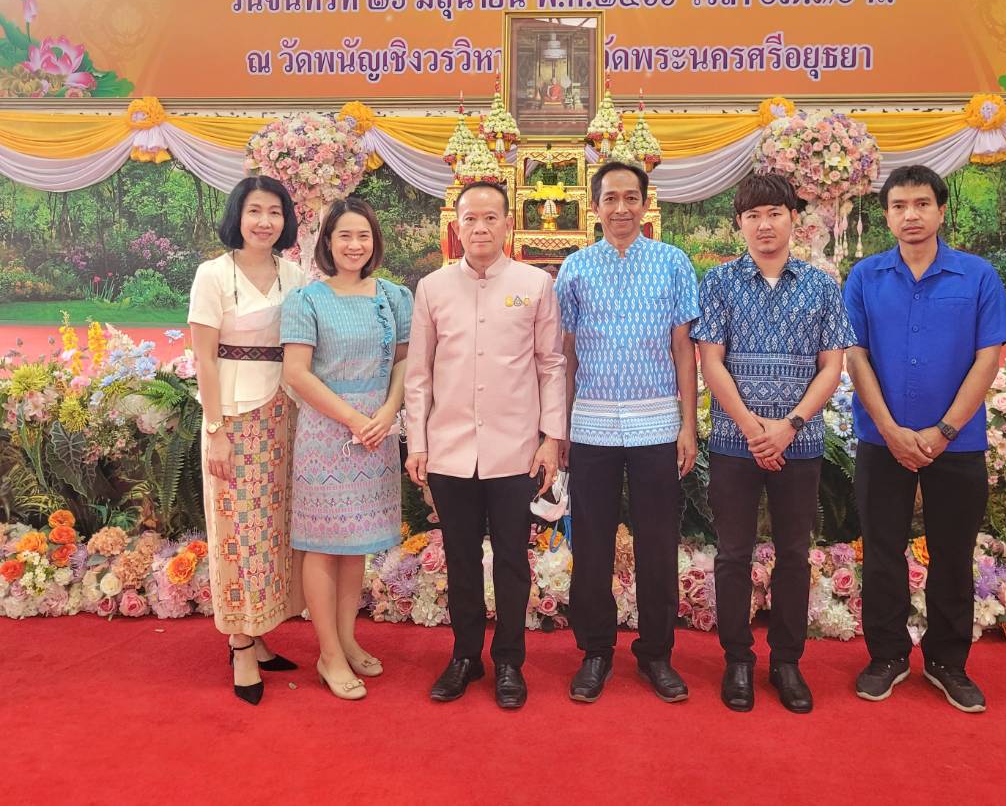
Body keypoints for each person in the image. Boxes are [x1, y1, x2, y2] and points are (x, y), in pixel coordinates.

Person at [843, 165, 1006, 715]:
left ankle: (948, 662)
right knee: (883, 551)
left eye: (921, 204)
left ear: (942, 210)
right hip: (881, 439)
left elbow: (989, 356)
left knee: (952, 553)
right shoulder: (865, 277)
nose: (910, 215)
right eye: (899, 206)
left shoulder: (977, 276)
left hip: (958, 443)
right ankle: (888, 656)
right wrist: (892, 430)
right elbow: (855, 355)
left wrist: (944, 430)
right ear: (887, 215)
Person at [692, 172, 854, 714]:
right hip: (735, 444)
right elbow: (709, 359)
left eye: (775, 214)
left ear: (794, 219)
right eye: (753, 216)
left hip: (799, 445)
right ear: (739, 223)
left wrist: (790, 424)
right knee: (733, 554)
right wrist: (749, 425)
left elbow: (833, 364)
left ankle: (786, 661)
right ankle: (737, 659)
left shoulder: (821, 285)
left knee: (792, 554)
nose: (765, 225)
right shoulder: (718, 283)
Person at [404, 180, 567, 709]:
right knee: (460, 558)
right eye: (470, 218)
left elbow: (550, 365)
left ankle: (510, 661)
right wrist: (418, 442)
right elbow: (419, 373)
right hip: (450, 449)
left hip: (515, 449)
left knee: (513, 563)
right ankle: (465, 656)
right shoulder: (432, 288)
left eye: (491, 218)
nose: (480, 227)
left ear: (508, 225)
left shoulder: (535, 284)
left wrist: (550, 439)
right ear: (457, 225)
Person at [555, 160, 700, 704]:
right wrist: (560, 424)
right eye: (610, 198)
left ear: (646, 203)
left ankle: (657, 653)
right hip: (591, 423)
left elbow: (683, 349)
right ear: (595, 207)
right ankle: (595, 651)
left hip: (657, 422)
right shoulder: (575, 268)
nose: (621, 208)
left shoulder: (672, 263)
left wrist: (689, 423)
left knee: (658, 543)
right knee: (590, 543)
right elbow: (564, 354)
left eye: (631, 198)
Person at [282, 196, 413, 701]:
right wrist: (355, 418)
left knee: (356, 545)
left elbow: (404, 362)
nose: (355, 245)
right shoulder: (308, 300)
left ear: (374, 242)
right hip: (326, 434)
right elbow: (296, 373)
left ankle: (349, 640)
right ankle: (329, 654)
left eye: (363, 236)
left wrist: (387, 413)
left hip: (376, 433)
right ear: (328, 244)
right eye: (344, 236)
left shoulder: (394, 297)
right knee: (322, 544)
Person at [187, 175, 307, 706]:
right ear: (237, 215)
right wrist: (214, 430)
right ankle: (238, 641)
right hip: (232, 415)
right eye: (255, 210)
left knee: (272, 526)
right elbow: (205, 358)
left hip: (284, 412)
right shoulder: (212, 274)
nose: (264, 221)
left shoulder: (296, 274)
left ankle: (260, 631)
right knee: (236, 526)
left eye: (275, 212)